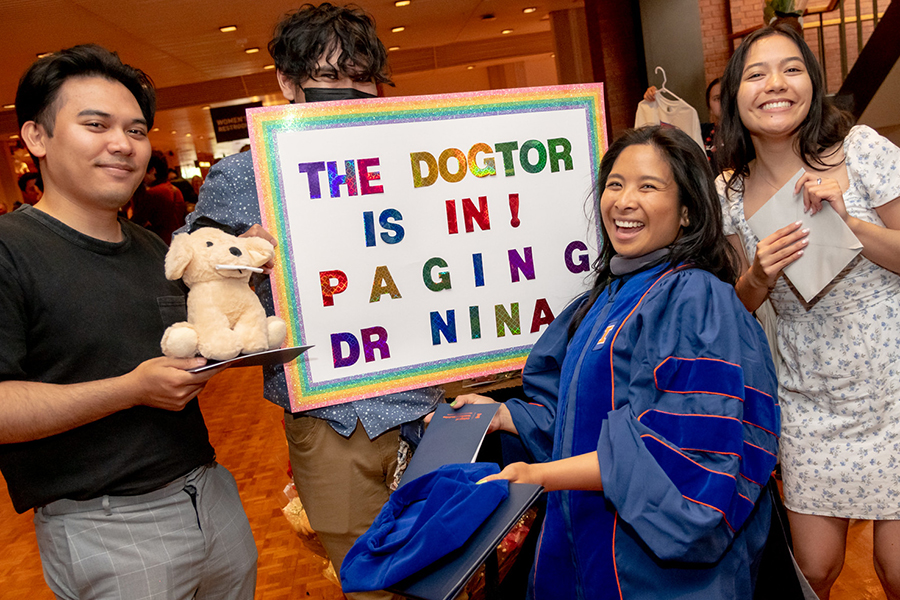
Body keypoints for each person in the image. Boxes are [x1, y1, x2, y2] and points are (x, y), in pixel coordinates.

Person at [454, 126, 780, 599]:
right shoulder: (606, 297)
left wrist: (539, 476)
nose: (624, 200)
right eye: (615, 183)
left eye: (648, 186)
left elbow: (683, 453)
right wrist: (504, 415)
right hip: (580, 548)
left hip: (653, 573)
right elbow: (572, 419)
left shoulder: (695, 300)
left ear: (687, 211)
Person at [182, 5, 441, 599]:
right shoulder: (247, 172)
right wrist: (241, 255)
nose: (346, 94)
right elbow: (191, 272)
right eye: (327, 79)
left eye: (361, 77)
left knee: (454, 565)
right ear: (287, 83)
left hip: (439, 397)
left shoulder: (422, 153)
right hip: (331, 413)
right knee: (370, 577)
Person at [0, 44, 257, 599]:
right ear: (36, 138)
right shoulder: (10, 251)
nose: (122, 144)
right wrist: (130, 389)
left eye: (137, 131)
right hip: (107, 525)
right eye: (96, 125)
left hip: (210, 494)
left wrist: (242, 281)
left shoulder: (152, 249)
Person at [716, 23, 900, 599]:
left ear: (813, 84)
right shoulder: (727, 192)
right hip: (809, 398)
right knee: (814, 570)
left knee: (897, 572)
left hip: (894, 386)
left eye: (791, 69)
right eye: (756, 73)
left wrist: (849, 223)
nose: (775, 84)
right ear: (734, 96)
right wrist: (757, 276)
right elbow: (736, 310)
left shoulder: (862, 149)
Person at [132, 150, 186, 244]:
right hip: (179, 243)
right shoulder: (175, 190)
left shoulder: (154, 193)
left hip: (162, 244)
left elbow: (136, 222)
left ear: (152, 170)